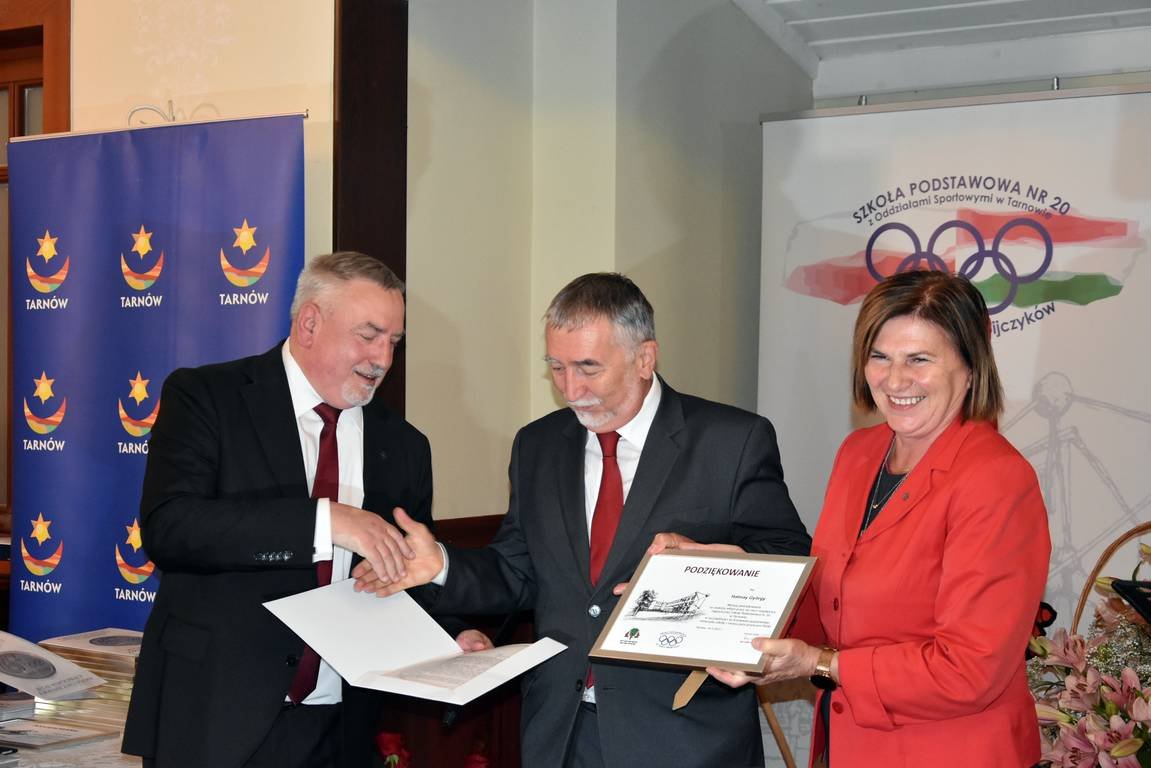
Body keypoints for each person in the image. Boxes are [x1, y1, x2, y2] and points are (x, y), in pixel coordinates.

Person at [356, 272, 812, 767]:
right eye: (556, 367)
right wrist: (442, 565)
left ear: (645, 358)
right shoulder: (537, 445)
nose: (571, 389)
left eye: (588, 367)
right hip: (561, 731)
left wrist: (708, 565)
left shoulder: (731, 441)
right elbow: (517, 570)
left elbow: (787, 562)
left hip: (685, 738)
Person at [122, 252, 484, 768]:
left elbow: (408, 574)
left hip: (341, 725)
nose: (383, 358)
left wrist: (452, 635)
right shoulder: (207, 397)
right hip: (214, 716)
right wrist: (326, 520)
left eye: (394, 341)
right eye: (369, 335)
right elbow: (171, 528)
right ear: (310, 323)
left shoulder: (404, 445)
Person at [701, 270, 1051, 767]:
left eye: (919, 359)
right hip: (849, 746)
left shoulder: (996, 479)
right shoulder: (859, 453)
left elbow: (969, 669)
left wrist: (821, 663)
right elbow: (833, 605)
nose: (895, 379)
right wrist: (729, 576)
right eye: (880, 356)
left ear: (971, 366)